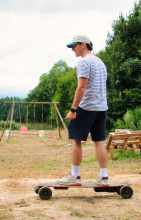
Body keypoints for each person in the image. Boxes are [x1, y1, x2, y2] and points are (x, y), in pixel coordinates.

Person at [57, 35, 109, 186]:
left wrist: (73, 109)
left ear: (84, 45)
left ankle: (74, 175)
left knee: (75, 137)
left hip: (87, 107)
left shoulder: (84, 62)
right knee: (99, 140)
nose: (72, 49)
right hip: (101, 107)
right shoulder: (100, 62)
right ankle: (103, 177)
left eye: (74, 45)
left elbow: (81, 87)